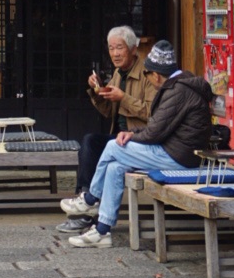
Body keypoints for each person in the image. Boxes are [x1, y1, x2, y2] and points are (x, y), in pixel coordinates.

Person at [61, 39, 214, 249]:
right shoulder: (178, 87)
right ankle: (102, 231)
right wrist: (131, 132)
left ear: (157, 75)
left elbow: (154, 132)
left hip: (179, 157)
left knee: (113, 146)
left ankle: (89, 199)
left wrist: (129, 135)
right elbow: (156, 126)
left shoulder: (178, 91)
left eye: (148, 75)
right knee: (115, 167)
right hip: (175, 151)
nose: (148, 79)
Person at [57, 25, 157, 235]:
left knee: (100, 146)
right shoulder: (118, 74)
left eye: (119, 48)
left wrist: (124, 98)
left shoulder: (149, 75)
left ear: (132, 48)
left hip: (140, 139)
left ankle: (86, 208)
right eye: (111, 48)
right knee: (90, 142)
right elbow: (108, 111)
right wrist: (96, 91)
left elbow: (152, 114)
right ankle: (85, 202)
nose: (114, 54)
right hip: (119, 138)